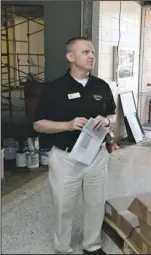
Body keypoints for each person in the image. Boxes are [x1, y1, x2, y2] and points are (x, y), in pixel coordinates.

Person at [33, 37, 116, 255]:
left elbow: (112, 116)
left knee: (96, 205)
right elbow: (38, 124)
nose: (92, 56)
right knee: (63, 207)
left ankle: (92, 244)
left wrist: (107, 121)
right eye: (86, 52)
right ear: (70, 57)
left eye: (93, 52)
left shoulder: (101, 86)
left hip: (96, 157)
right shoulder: (54, 89)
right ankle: (62, 248)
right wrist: (67, 125)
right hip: (66, 159)